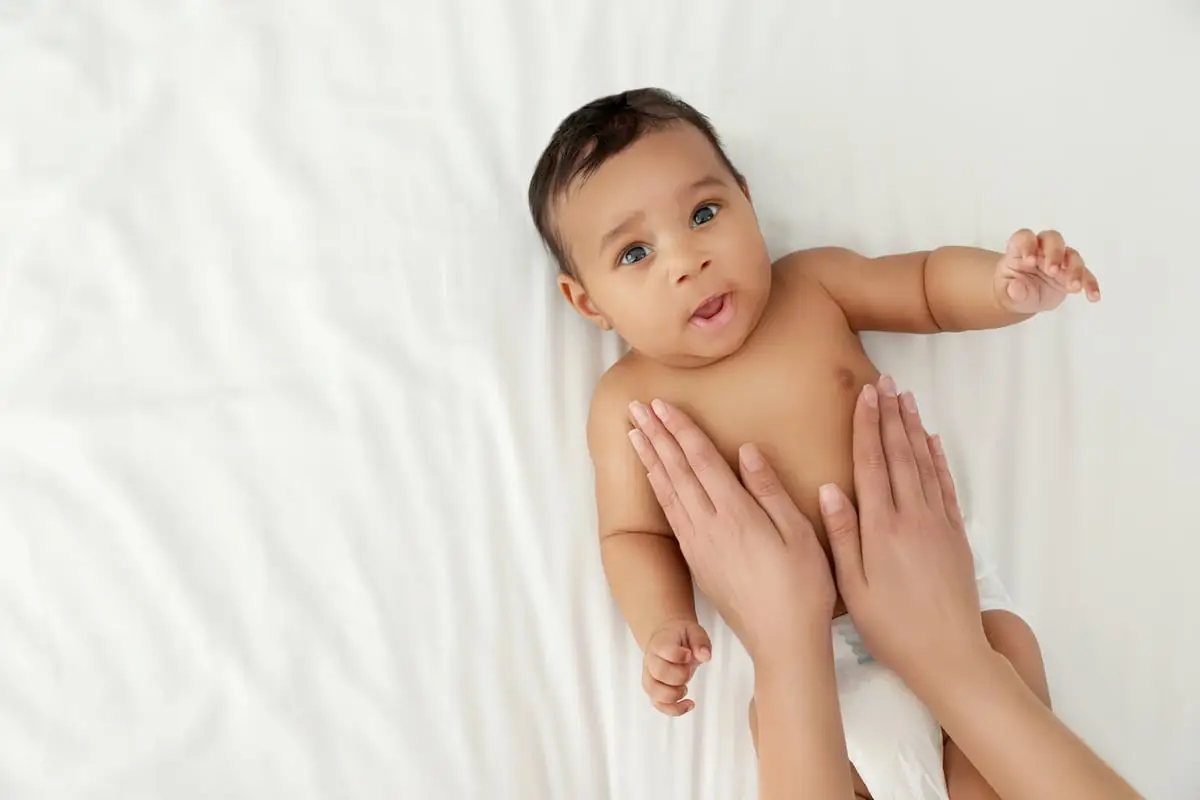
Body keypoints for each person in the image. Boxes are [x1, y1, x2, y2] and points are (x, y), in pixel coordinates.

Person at [527, 87, 1096, 796]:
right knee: (778, 723)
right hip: (816, 669)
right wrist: (663, 625)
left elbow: (922, 288)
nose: (687, 260)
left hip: (946, 600)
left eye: (705, 214)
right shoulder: (625, 404)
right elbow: (632, 535)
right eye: (636, 252)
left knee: (1009, 648)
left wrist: (1003, 286)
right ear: (588, 303)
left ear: (746, 198)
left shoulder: (812, 287)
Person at [627, 377, 1142, 800]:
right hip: (946, 660)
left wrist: (775, 643)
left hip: (825, 683)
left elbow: (629, 535)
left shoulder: (805, 289)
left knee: (776, 711)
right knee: (1004, 638)